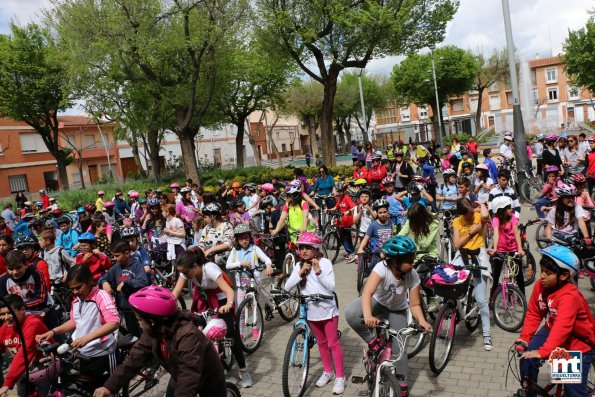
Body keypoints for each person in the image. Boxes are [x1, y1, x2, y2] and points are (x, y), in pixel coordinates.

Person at [93, 286, 226, 397]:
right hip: (178, 376)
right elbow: (133, 360)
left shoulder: (187, 335)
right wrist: (109, 387)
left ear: (152, 321)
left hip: (208, 380)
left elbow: (189, 374)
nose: (138, 324)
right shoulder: (153, 331)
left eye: (139, 320)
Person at [346, 236, 432, 395]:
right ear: (394, 261)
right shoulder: (381, 268)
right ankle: (372, 342)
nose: (413, 263)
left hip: (397, 310)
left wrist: (421, 321)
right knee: (351, 313)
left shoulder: (412, 274)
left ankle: (402, 383)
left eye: (413, 258)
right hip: (376, 303)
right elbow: (367, 293)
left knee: (400, 350)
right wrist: (367, 315)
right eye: (409, 260)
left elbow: (414, 304)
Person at [516, 245, 594, 397]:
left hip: (577, 341)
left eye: (548, 273)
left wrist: (542, 352)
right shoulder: (541, 286)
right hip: (552, 329)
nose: (542, 276)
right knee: (526, 359)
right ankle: (529, 392)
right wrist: (525, 338)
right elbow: (534, 313)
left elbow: (562, 328)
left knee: (574, 393)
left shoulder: (569, 296)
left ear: (564, 276)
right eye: (542, 270)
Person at [172, 249, 252, 388]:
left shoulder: (210, 269)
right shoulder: (186, 270)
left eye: (186, 272)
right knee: (198, 330)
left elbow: (228, 291)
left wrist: (228, 304)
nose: (184, 275)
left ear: (195, 266)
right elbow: (175, 293)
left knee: (230, 334)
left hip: (222, 299)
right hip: (204, 297)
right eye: (182, 273)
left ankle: (243, 369)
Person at [37, 264, 120, 394]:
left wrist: (86, 338)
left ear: (88, 281)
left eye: (78, 287)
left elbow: (114, 322)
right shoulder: (76, 301)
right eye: (72, 289)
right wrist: (52, 332)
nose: (75, 292)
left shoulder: (100, 296)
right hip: (84, 356)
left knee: (108, 392)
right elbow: (74, 322)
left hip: (103, 354)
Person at [284, 233, 345, 394]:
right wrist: (301, 272)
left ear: (316, 249)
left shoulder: (325, 263)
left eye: (307, 248)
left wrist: (317, 270)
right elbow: (287, 287)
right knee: (322, 344)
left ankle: (340, 377)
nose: (303, 251)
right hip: (312, 311)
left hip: (328, 310)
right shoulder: (298, 266)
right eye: (301, 247)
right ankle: (328, 371)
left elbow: (331, 287)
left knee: (333, 344)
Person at [452, 198, 493, 350]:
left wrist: (481, 204)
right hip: (462, 256)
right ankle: (451, 314)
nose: (470, 217)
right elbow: (457, 244)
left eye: (470, 213)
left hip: (478, 256)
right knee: (448, 282)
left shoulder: (478, 216)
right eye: (466, 215)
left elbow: (484, 217)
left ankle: (487, 335)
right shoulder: (457, 221)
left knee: (482, 300)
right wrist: (471, 232)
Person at [0, 294, 51, 397]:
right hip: (24, 369)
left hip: (45, 367)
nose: (6, 318)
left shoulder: (33, 323)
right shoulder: (5, 328)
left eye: (10, 313)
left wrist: (7, 383)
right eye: (2, 314)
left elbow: (25, 353)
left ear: (22, 309)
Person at [99, 240, 148, 337]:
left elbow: (143, 282)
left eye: (117, 256)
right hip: (123, 309)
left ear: (127, 253)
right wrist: (104, 282)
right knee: (130, 335)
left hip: (137, 310)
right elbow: (103, 278)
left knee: (141, 335)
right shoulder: (116, 267)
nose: (114, 259)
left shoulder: (137, 266)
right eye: (113, 256)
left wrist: (126, 282)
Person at [0, 250, 58, 331]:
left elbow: (41, 298)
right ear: (6, 268)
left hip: (43, 311)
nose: (15, 272)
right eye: (10, 269)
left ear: (26, 265)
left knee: (54, 335)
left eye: (18, 267)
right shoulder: (3, 280)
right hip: (18, 314)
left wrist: (20, 306)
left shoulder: (35, 273)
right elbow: (3, 303)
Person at [398, 204, 440, 311]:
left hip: (428, 255)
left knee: (418, 277)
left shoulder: (434, 223)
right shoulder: (411, 221)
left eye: (414, 220)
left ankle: (432, 297)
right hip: (412, 254)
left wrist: (417, 231)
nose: (411, 222)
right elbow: (401, 235)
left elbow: (425, 243)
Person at [487, 196, 526, 302]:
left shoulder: (512, 217)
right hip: (500, 250)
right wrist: (495, 248)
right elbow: (496, 234)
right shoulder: (496, 219)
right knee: (496, 277)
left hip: (513, 249)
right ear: (501, 210)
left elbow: (516, 233)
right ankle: (492, 298)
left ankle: (522, 298)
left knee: (519, 275)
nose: (511, 209)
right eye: (508, 207)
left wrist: (520, 249)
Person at [226, 223, 274, 294]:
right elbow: (228, 265)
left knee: (254, 297)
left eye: (246, 238)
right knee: (242, 301)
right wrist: (241, 263)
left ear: (249, 238)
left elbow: (266, 258)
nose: (244, 241)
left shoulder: (254, 248)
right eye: (241, 239)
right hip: (242, 279)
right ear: (237, 240)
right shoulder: (234, 250)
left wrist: (268, 265)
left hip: (254, 278)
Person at [357, 199, 394, 268]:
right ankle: (370, 269)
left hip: (388, 249)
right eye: (380, 213)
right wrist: (361, 248)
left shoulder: (391, 222)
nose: (382, 214)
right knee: (376, 263)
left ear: (387, 212)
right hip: (377, 250)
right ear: (376, 213)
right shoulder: (373, 225)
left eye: (384, 212)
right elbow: (366, 238)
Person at [197, 202, 233, 266]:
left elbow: (227, 244)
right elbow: (202, 242)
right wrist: (199, 250)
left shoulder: (226, 226)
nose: (204, 219)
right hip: (210, 264)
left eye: (205, 217)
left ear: (213, 216)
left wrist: (210, 250)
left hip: (224, 264)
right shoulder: (207, 228)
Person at [332, 182, 356, 262]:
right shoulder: (340, 198)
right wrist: (329, 210)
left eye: (340, 191)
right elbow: (336, 207)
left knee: (344, 237)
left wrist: (348, 211)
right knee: (346, 237)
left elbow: (354, 207)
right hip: (341, 220)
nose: (339, 193)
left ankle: (351, 253)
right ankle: (351, 252)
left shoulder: (347, 198)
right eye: (338, 191)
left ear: (344, 191)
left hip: (347, 220)